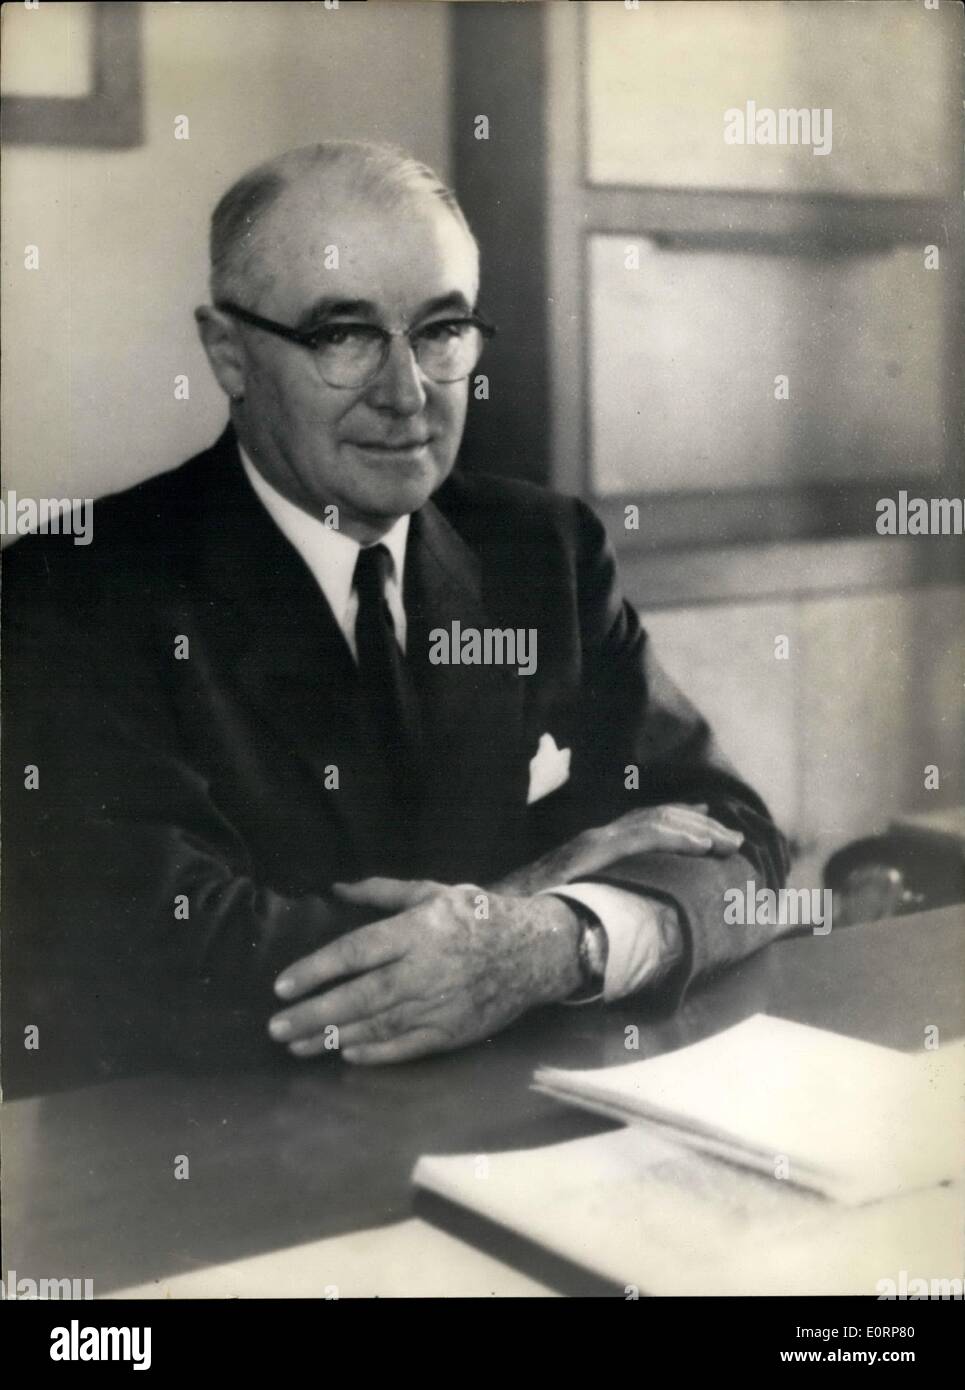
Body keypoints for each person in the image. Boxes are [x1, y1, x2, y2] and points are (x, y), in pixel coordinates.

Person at [1, 142, 788, 1089]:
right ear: (227, 353)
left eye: (440, 330)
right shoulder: (71, 592)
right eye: (344, 336)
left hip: (519, 1127)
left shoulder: (541, 552)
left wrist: (555, 941)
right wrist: (512, 909)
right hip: (223, 1176)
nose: (406, 392)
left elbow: (736, 844)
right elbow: (167, 952)